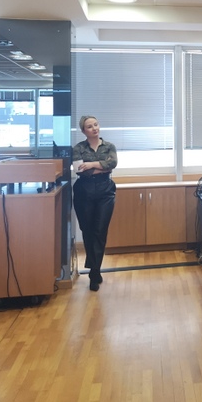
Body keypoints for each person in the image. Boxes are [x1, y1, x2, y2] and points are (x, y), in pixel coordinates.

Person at [73, 115, 118, 292]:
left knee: (100, 230)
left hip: (105, 191)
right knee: (88, 230)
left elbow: (113, 163)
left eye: (96, 125)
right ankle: (95, 269)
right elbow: (80, 171)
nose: (94, 128)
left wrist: (91, 164)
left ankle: (94, 272)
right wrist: (102, 166)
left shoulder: (109, 146)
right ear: (83, 131)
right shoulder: (78, 148)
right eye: (90, 126)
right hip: (84, 191)